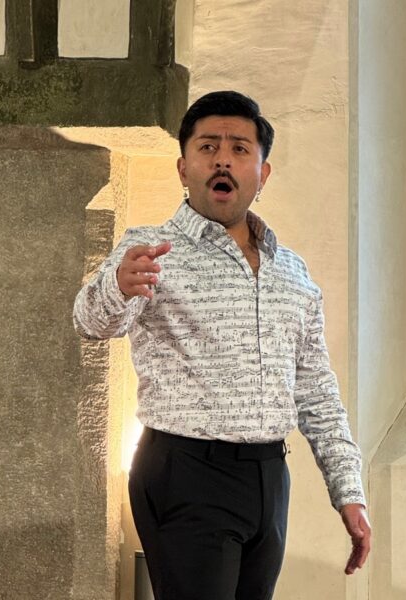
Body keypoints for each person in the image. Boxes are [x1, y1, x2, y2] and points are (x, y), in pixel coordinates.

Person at [73, 90, 371, 600]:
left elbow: (316, 391)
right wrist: (118, 286)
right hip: (186, 472)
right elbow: (90, 322)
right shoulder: (150, 250)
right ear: (183, 167)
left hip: (269, 476)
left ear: (262, 172)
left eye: (239, 149)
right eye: (208, 147)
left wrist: (348, 491)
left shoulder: (291, 271)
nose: (222, 160)